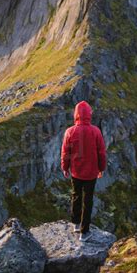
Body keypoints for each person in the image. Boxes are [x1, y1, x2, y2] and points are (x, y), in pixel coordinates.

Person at [61, 100, 107, 242]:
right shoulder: (95, 131)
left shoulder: (70, 131)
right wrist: (101, 168)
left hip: (76, 171)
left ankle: (75, 224)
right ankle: (84, 232)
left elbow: (65, 152)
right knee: (88, 200)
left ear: (76, 115)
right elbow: (101, 153)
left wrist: (65, 167)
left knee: (76, 196)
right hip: (91, 172)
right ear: (89, 115)